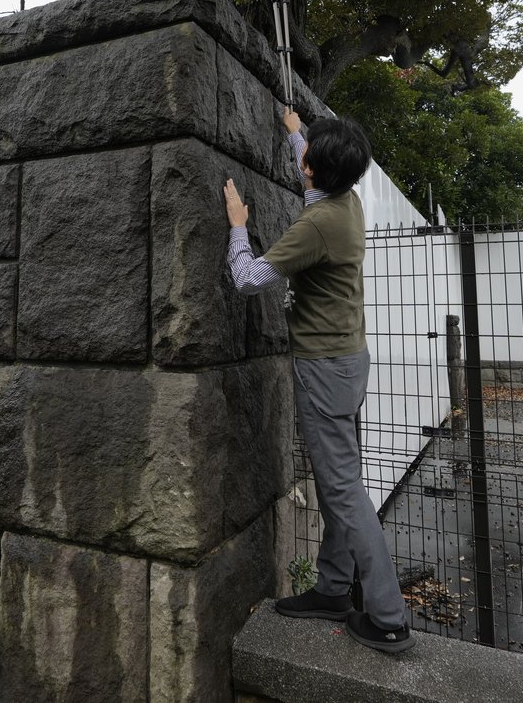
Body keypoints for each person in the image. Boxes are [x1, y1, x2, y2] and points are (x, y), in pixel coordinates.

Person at [223, 108, 415, 654]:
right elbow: (313, 176)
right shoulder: (346, 200)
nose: (302, 157)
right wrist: (295, 133)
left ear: (314, 170)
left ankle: (388, 618)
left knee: (343, 490)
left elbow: (248, 278)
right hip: (349, 359)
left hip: (324, 368)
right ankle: (333, 589)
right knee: (338, 481)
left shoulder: (317, 225)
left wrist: (237, 226)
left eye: (306, 154)